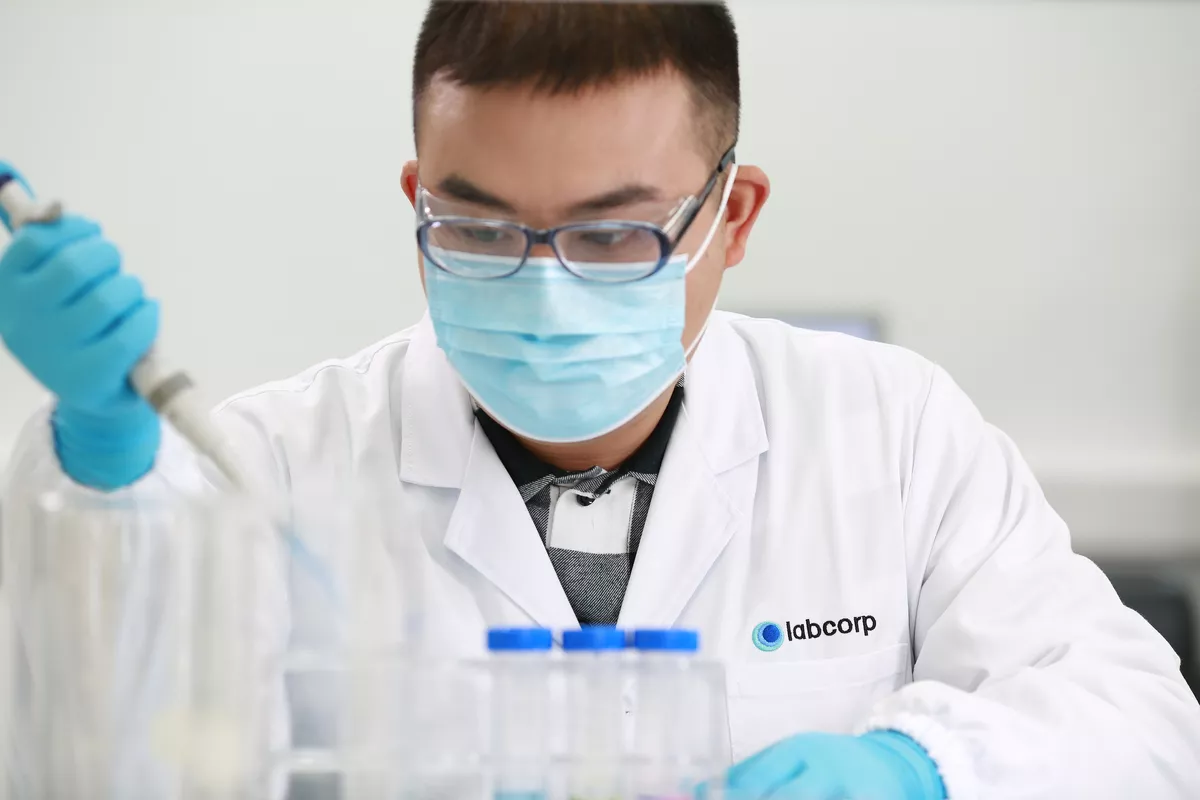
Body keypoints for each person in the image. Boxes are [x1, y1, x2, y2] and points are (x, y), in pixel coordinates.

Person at [2, 2, 1199, 798]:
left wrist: (917, 767)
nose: (544, 286)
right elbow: (114, 763)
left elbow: (1140, 722)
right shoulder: (266, 463)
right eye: (479, 227)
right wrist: (107, 457)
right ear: (418, 198)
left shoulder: (886, 429)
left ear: (732, 217)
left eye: (614, 233)